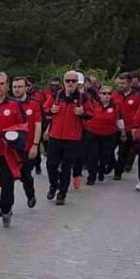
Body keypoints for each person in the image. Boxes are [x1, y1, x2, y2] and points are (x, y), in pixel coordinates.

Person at [0, 72, 38, 228]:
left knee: (6, 184)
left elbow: (24, 126)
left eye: (2, 84)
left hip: (7, 152)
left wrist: (14, 137)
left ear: (7, 86)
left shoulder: (14, 105)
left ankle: (6, 210)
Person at [45, 71, 93, 205]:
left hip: (72, 138)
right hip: (55, 136)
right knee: (51, 165)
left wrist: (82, 113)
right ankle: (54, 185)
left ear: (78, 83)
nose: (70, 83)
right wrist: (50, 111)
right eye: (68, 81)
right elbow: (44, 109)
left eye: (73, 81)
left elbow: (91, 114)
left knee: (66, 168)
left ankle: (62, 193)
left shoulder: (83, 98)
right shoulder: (56, 96)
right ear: (63, 82)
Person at [83, 82, 120, 185]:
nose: (107, 95)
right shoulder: (94, 105)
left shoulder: (115, 106)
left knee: (105, 156)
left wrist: (123, 132)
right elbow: (87, 115)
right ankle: (91, 177)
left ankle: (101, 170)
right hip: (93, 134)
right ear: (99, 94)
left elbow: (118, 120)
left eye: (109, 93)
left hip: (108, 135)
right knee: (92, 157)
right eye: (104, 93)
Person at [112, 72, 140, 179]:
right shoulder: (114, 95)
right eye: (119, 83)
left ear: (130, 84)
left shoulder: (136, 97)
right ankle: (111, 164)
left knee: (123, 152)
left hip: (129, 128)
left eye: (123, 83)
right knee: (108, 150)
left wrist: (137, 127)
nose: (120, 86)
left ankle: (118, 172)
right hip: (114, 128)